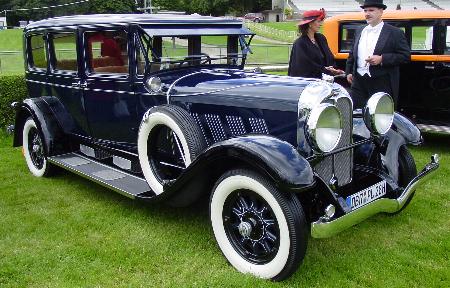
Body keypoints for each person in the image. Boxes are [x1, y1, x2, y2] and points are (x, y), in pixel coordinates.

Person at [345, 0, 410, 109]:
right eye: (365, 10)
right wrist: (348, 72)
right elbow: (352, 54)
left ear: (381, 11)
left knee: (379, 117)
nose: (367, 13)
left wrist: (382, 59)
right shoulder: (359, 30)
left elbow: (405, 56)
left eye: (371, 10)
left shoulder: (395, 33)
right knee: (357, 115)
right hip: (358, 82)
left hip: (382, 82)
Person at [288, 9, 343, 78]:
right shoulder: (300, 43)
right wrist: (325, 70)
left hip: (326, 79)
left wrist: (333, 69)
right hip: (310, 83)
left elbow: (329, 57)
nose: (321, 24)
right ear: (310, 23)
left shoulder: (321, 38)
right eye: (319, 21)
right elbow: (304, 67)